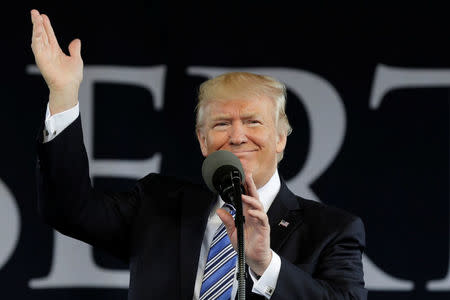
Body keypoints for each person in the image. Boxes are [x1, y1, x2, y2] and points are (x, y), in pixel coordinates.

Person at [30, 8, 367, 300]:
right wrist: (63, 94)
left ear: (280, 138)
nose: (237, 135)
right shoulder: (156, 204)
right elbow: (69, 209)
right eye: (222, 123)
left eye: (252, 121)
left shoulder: (331, 230)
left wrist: (265, 264)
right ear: (203, 141)